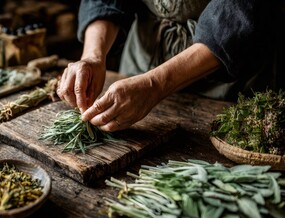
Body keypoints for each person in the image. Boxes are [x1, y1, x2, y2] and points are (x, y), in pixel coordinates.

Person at [57, 0, 283, 132]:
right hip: (141, 62)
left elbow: (239, 11)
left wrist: (154, 84)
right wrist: (93, 56)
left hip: (228, 75)